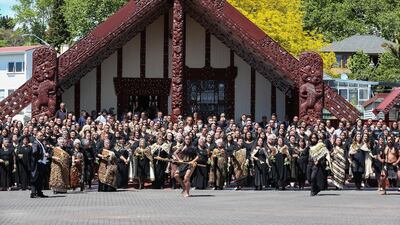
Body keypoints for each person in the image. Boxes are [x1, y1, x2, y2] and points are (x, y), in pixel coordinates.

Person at [30, 132, 49, 198]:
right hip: (37, 163)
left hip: (41, 163)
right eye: (40, 135)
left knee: (40, 179)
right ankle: (33, 193)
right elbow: (34, 152)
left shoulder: (40, 143)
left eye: (42, 135)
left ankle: (39, 192)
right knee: (35, 178)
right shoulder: (35, 143)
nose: (42, 136)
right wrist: (43, 154)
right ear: (36, 136)